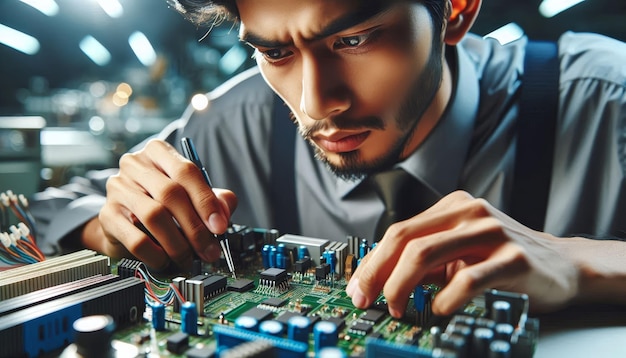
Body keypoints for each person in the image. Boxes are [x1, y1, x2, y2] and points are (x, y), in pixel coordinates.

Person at [31, 0, 626, 318]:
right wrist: (115, 221)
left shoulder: (606, 99)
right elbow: (48, 209)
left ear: (457, 9)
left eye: (354, 39)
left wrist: (586, 263)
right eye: (274, 50)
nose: (317, 104)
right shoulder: (234, 118)